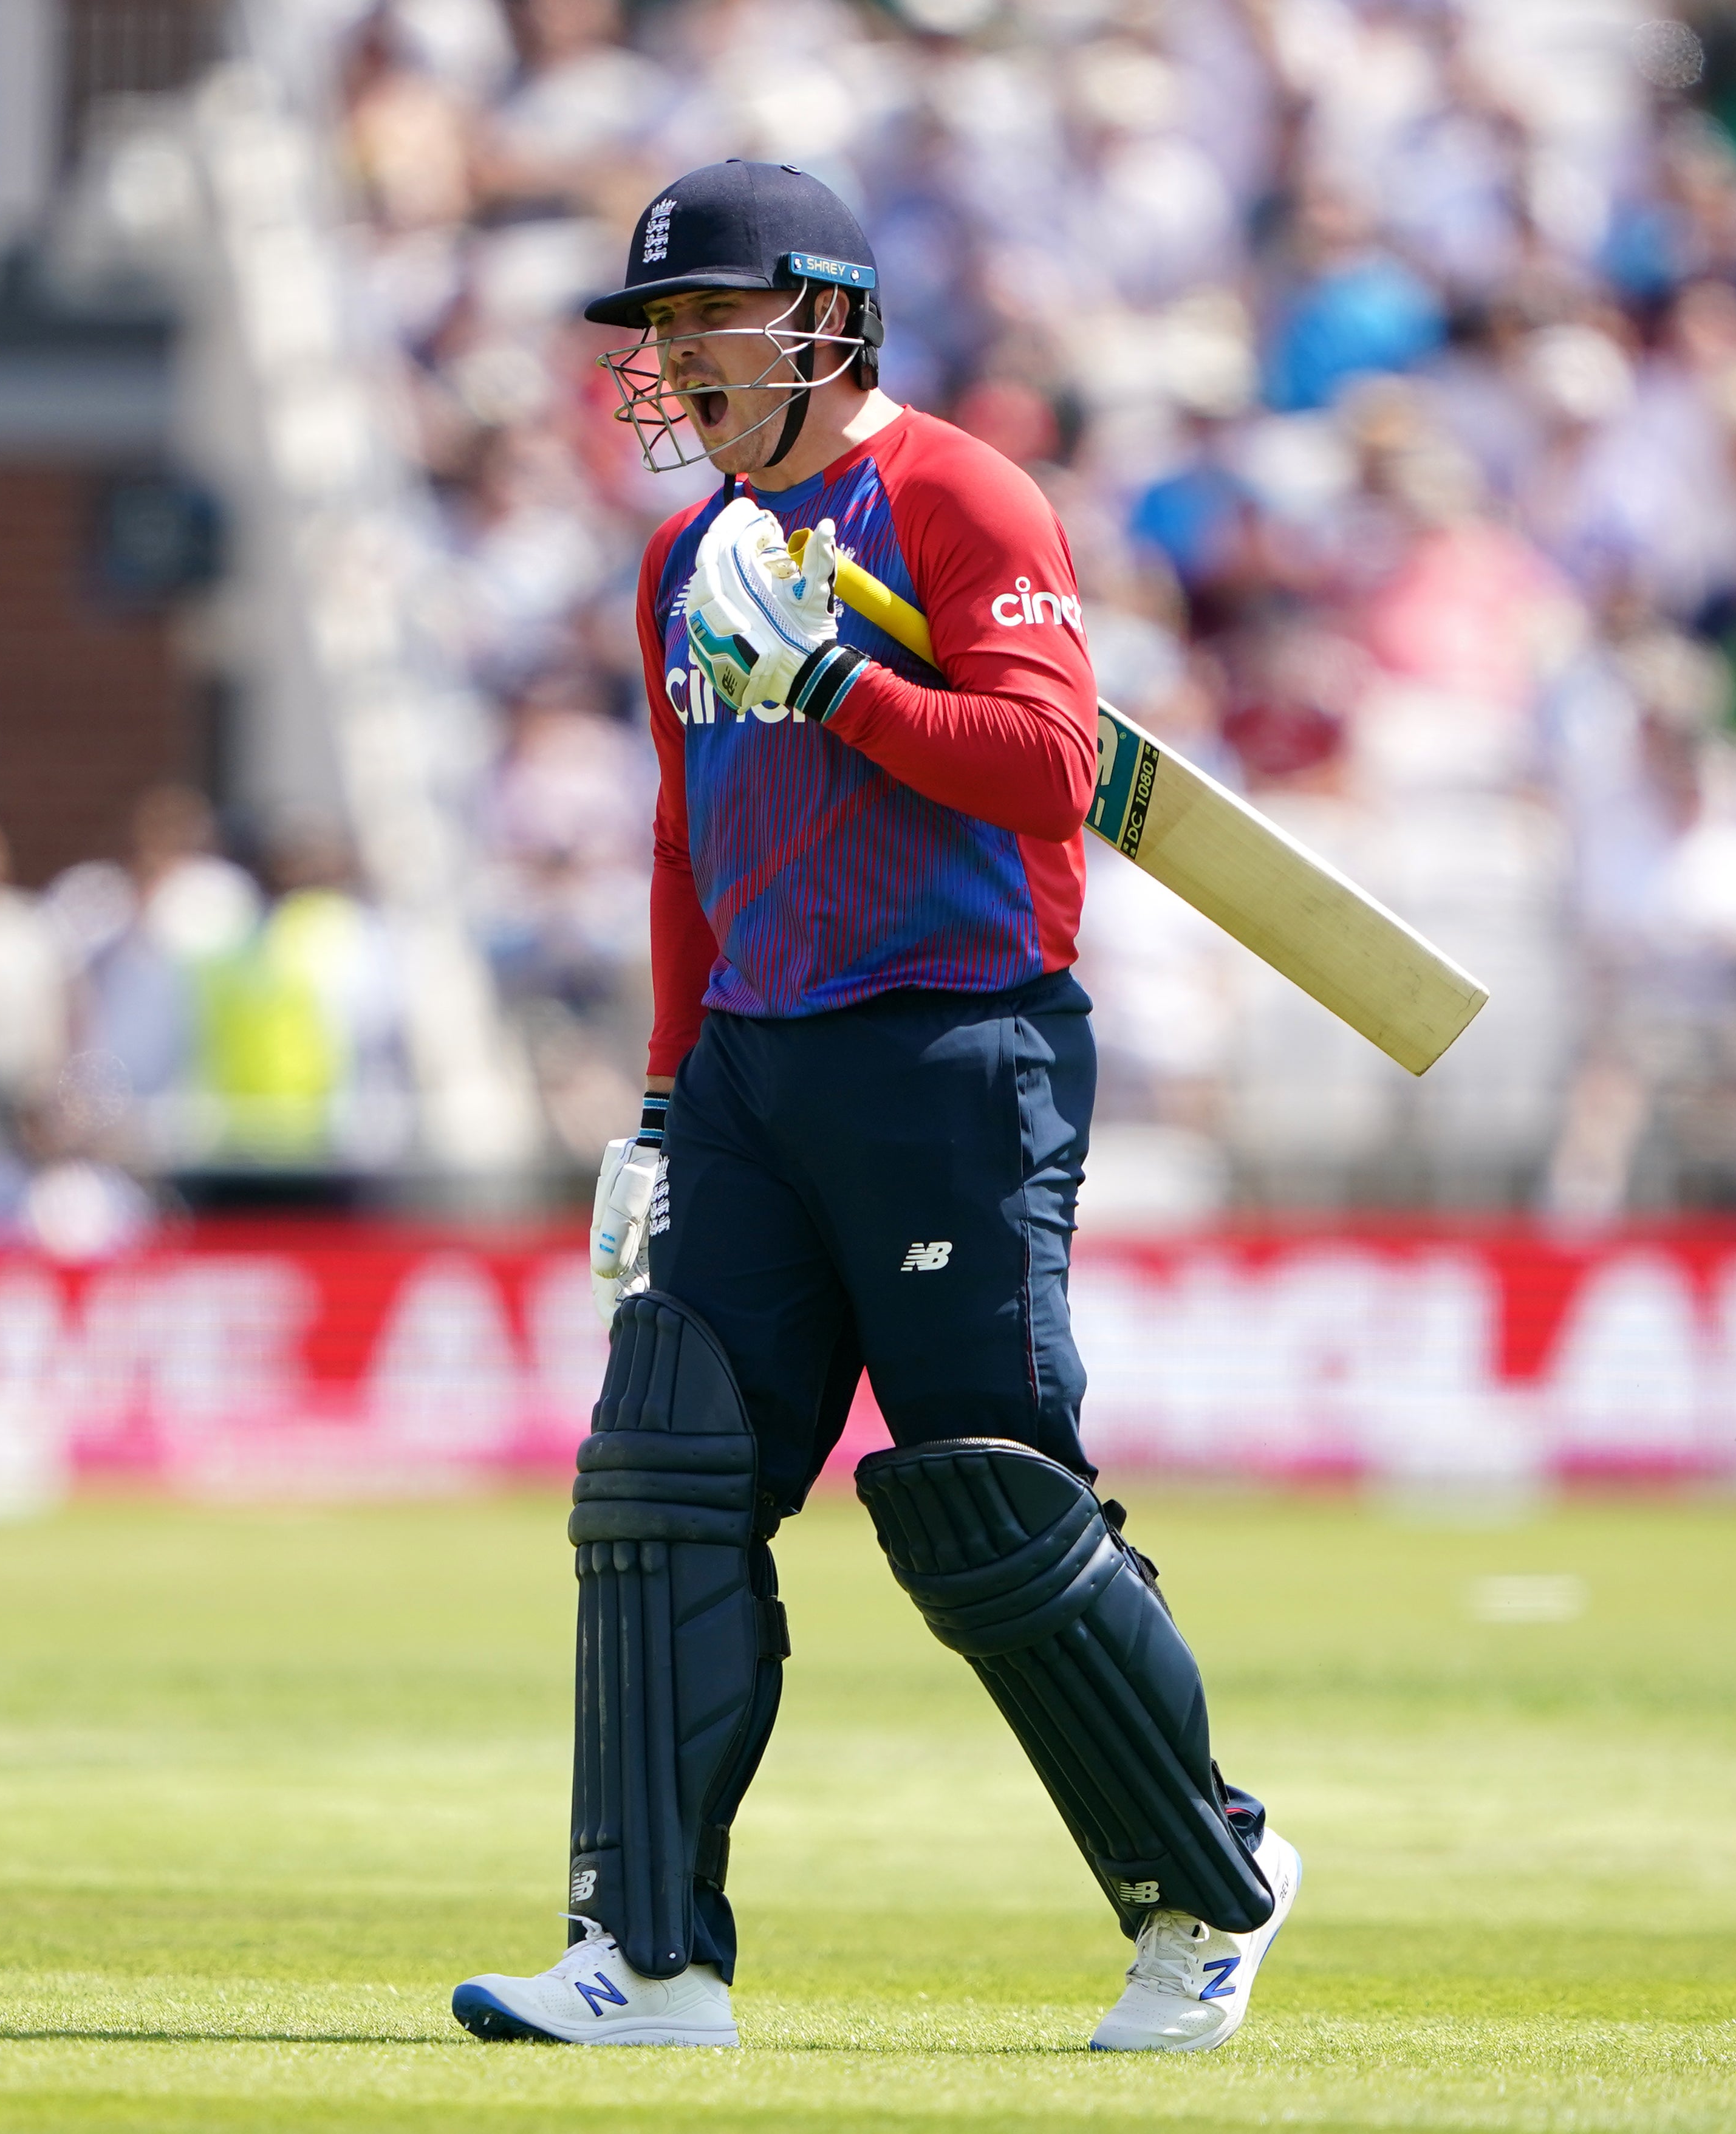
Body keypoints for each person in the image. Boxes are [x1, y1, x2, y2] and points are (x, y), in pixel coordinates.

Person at [451, 159, 1297, 2055]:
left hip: (954, 1045)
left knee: (989, 1500)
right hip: (751, 1063)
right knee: (665, 1480)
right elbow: (691, 844)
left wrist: (836, 677)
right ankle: (649, 1958)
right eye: (656, 330)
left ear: (824, 319)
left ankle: (1206, 1884)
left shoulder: (953, 491)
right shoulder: (680, 564)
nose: (672, 360)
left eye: (706, 319)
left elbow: (1045, 762)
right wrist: (664, 1102)